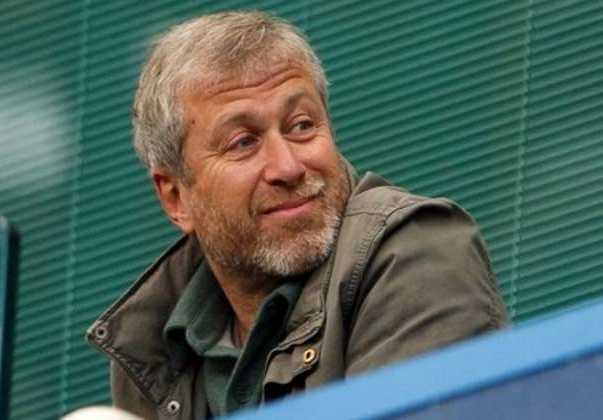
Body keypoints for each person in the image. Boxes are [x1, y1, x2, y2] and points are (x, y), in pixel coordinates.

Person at [86, 10, 509, 420]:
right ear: (176, 197)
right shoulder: (155, 343)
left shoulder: (416, 252)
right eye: (243, 142)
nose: (287, 167)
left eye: (302, 125)